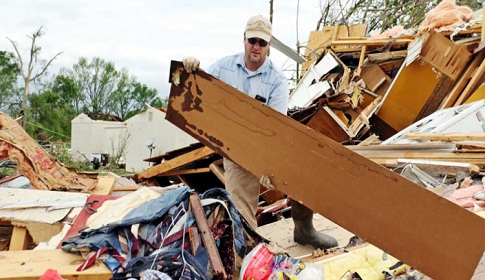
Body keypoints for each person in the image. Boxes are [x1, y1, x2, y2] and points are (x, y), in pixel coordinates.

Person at [182, 15, 338, 250]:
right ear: (244, 40)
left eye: (262, 43)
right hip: (235, 146)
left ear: (269, 46)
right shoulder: (223, 67)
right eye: (252, 40)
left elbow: (276, 129)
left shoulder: (277, 80)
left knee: (305, 171)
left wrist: (269, 164)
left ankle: (304, 229)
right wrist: (191, 70)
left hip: (267, 143)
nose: (256, 47)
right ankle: (247, 248)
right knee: (241, 201)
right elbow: (201, 92)